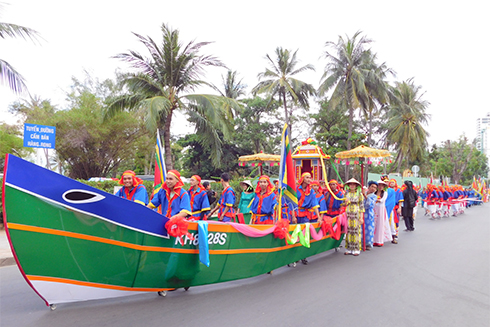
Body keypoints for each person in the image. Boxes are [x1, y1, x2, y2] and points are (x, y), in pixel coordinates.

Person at [296, 172, 321, 265]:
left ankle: (303, 255)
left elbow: (315, 204)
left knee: (305, 235)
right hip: (296, 213)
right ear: (302, 178)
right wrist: (293, 216)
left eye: (310, 177)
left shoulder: (311, 192)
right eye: (307, 177)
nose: (309, 179)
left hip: (305, 215)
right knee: (295, 233)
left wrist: (318, 217)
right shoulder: (296, 189)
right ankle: (294, 256)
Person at [342, 178, 365, 256]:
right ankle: (348, 248)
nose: (352, 186)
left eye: (353, 184)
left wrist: (361, 217)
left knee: (355, 231)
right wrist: (345, 202)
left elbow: (362, 206)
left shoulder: (359, 194)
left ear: (356, 186)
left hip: (356, 214)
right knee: (348, 231)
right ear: (348, 185)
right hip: (348, 214)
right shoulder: (346, 194)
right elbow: (342, 205)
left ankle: (356, 249)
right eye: (350, 184)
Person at [373, 180, 392, 247]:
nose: (380, 187)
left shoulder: (385, 193)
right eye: (379, 185)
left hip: (381, 210)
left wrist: (375, 200)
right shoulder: (374, 193)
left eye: (382, 185)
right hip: (374, 209)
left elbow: (382, 200)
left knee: (380, 225)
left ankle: (379, 240)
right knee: (374, 224)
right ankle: (373, 240)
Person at [363, 181, 378, 250]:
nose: (373, 188)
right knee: (361, 228)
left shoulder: (374, 196)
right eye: (372, 186)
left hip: (368, 213)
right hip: (361, 212)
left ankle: (368, 244)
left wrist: (365, 196)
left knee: (369, 229)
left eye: (375, 188)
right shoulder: (363, 193)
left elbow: (369, 204)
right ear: (369, 187)